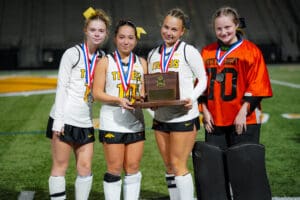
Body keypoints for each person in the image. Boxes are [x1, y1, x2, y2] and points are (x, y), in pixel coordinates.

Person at [198, 6, 273, 199]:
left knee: (245, 172)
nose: (223, 32)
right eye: (219, 29)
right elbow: (200, 85)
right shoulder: (206, 52)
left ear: (236, 25)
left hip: (244, 119)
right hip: (214, 120)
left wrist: (243, 112)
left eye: (228, 27)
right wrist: (204, 111)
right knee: (216, 173)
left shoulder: (251, 51)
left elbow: (258, 85)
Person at [46, 7, 111, 200]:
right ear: (85, 30)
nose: (97, 34)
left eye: (101, 31)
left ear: (106, 33)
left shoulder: (102, 59)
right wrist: (58, 121)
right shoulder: (71, 54)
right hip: (65, 118)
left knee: (85, 167)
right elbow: (61, 87)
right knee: (60, 166)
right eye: (93, 30)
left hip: (85, 120)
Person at [147, 8, 207, 200]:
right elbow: (153, 86)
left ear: (182, 32)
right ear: (161, 27)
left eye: (174, 29)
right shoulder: (152, 54)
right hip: (161, 117)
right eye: (166, 27)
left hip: (184, 116)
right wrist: (151, 104)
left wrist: (193, 97)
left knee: (178, 164)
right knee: (169, 165)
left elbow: (203, 79)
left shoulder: (188, 51)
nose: (169, 32)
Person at [92, 19, 147, 200]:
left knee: (132, 168)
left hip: (136, 123)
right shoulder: (105, 61)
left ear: (136, 40)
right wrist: (118, 99)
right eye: (122, 37)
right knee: (114, 169)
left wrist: (146, 99)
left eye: (130, 38)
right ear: (115, 39)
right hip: (112, 122)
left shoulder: (142, 63)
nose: (126, 41)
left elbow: (144, 93)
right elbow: (97, 93)